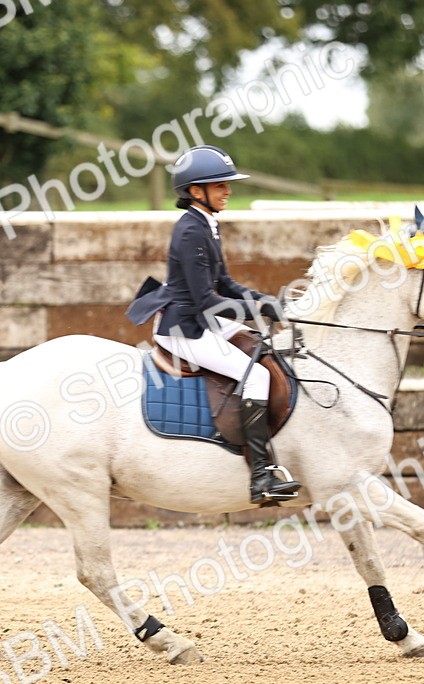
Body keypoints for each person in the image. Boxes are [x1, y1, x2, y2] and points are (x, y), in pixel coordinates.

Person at [125, 144, 302, 505]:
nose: (228, 191)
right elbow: (207, 301)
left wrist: (265, 301)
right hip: (185, 328)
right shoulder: (191, 232)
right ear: (195, 191)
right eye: (220, 185)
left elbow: (225, 284)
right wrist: (256, 311)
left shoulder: (207, 224)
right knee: (257, 376)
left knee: (263, 352)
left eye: (226, 184)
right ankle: (260, 476)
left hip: (203, 319)